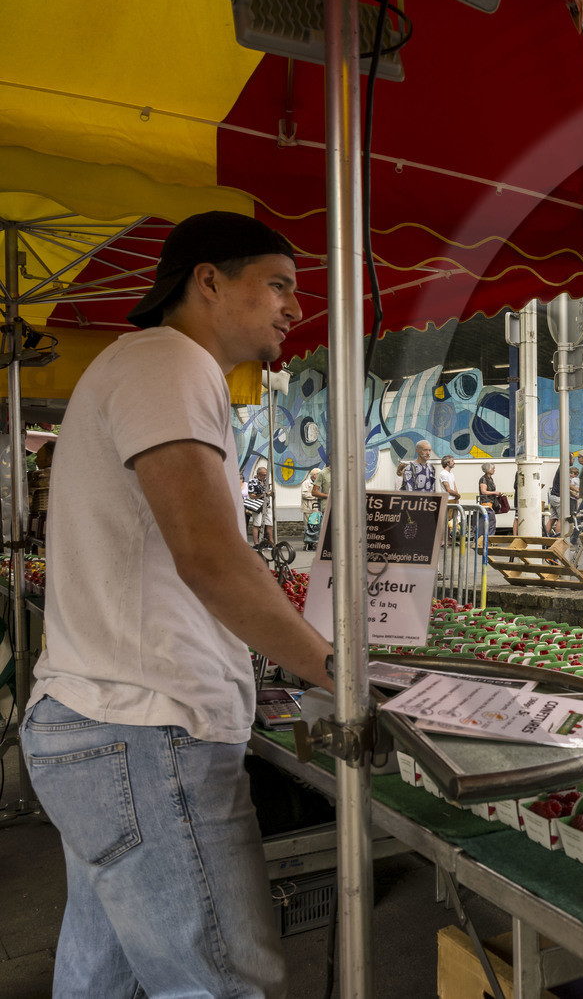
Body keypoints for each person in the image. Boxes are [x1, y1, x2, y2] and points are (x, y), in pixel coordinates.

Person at [22, 210, 335, 997]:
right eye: (277, 285)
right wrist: (337, 668)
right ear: (207, 282)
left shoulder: (151, 369)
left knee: (104, 981)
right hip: (145, 735)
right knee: (221, 982)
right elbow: (208, 554)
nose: (294, 307)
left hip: (103, 731)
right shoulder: (169, 363)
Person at [246, 463, 273, 547]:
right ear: (258, 474)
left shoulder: (266, 481)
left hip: (267, 505)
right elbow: (252, 496)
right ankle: (256, 543)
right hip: (257, 506)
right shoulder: (252, 482)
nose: (265, 476)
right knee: (256, 524)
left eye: (265, 475)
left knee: (269, 524)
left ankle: (271, 542)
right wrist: (265, 494)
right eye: (263, 475)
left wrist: (270, 494)